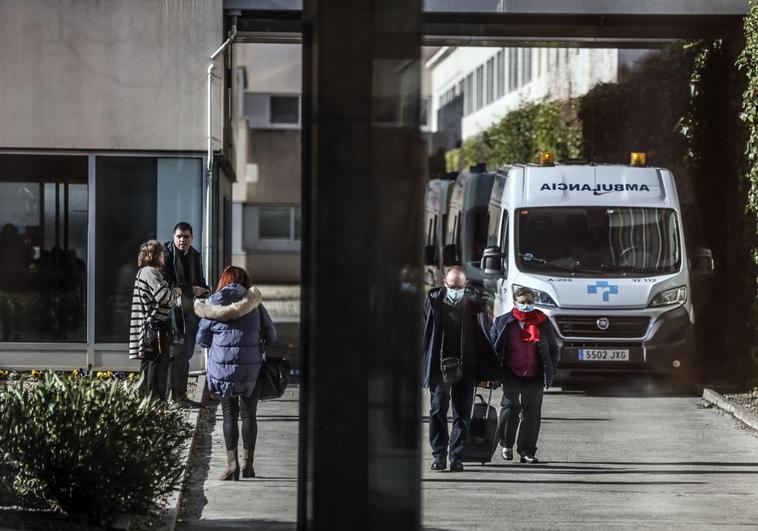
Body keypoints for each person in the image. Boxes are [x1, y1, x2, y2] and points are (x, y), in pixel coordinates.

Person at [195, 266, 277, 481]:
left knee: (229, 414)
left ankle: (232, 465)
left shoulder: (213, 304)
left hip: (222, 370)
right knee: (249, 415)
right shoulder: (255, 304)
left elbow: (202, 339)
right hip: (252, 369)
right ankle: (249, 464)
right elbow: (271, 336)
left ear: (223, 281)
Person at [422, 266, 501, 472]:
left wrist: (488, 371)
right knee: (437, 409)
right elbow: (423, 334)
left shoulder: (476, 305)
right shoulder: (433, 302)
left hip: (467, 367)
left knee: (462, 414)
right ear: (443, 282)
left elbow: (486, 336)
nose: (455, 290)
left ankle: (456, 456)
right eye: (451, 286)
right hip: (440, 368)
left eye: (459, 286)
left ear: (465, 285)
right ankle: (439, 455)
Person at [490, 286, 558, 464]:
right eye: (522, 302)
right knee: (510, 406)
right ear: (514, 303)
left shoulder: (543, 322)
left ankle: (526, 450)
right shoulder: (504, 322)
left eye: (529, 302)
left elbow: (553, 348)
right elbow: (493, 346)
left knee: (532, 411)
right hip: (511, 371)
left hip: (535, 373)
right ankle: (506, 444)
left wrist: (551, 368)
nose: (526, 305)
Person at [162, 222, 210, 407]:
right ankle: (171, 397)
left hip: (190, 312)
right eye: (179, 236)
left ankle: (181, 396)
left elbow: (200, 280)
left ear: (192, 237)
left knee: (186, 354)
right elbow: (167, 285)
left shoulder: (195, 255)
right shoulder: (166, 255)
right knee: (175, 355)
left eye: (186, 237)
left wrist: (205, 290)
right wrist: (192, 289)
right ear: (173, 236)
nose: (182, 240)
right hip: (172, 314)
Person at [128, 240, 182, 399]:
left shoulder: (145, 272)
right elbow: (164, 297)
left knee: (149, 365)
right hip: (156, 327)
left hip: (150, 328)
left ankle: (146, 401)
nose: (164, 255)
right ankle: (155, 402)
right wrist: (177, 292)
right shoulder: (150, 272)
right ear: (154, 255)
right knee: (157, 366)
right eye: (161, 253)